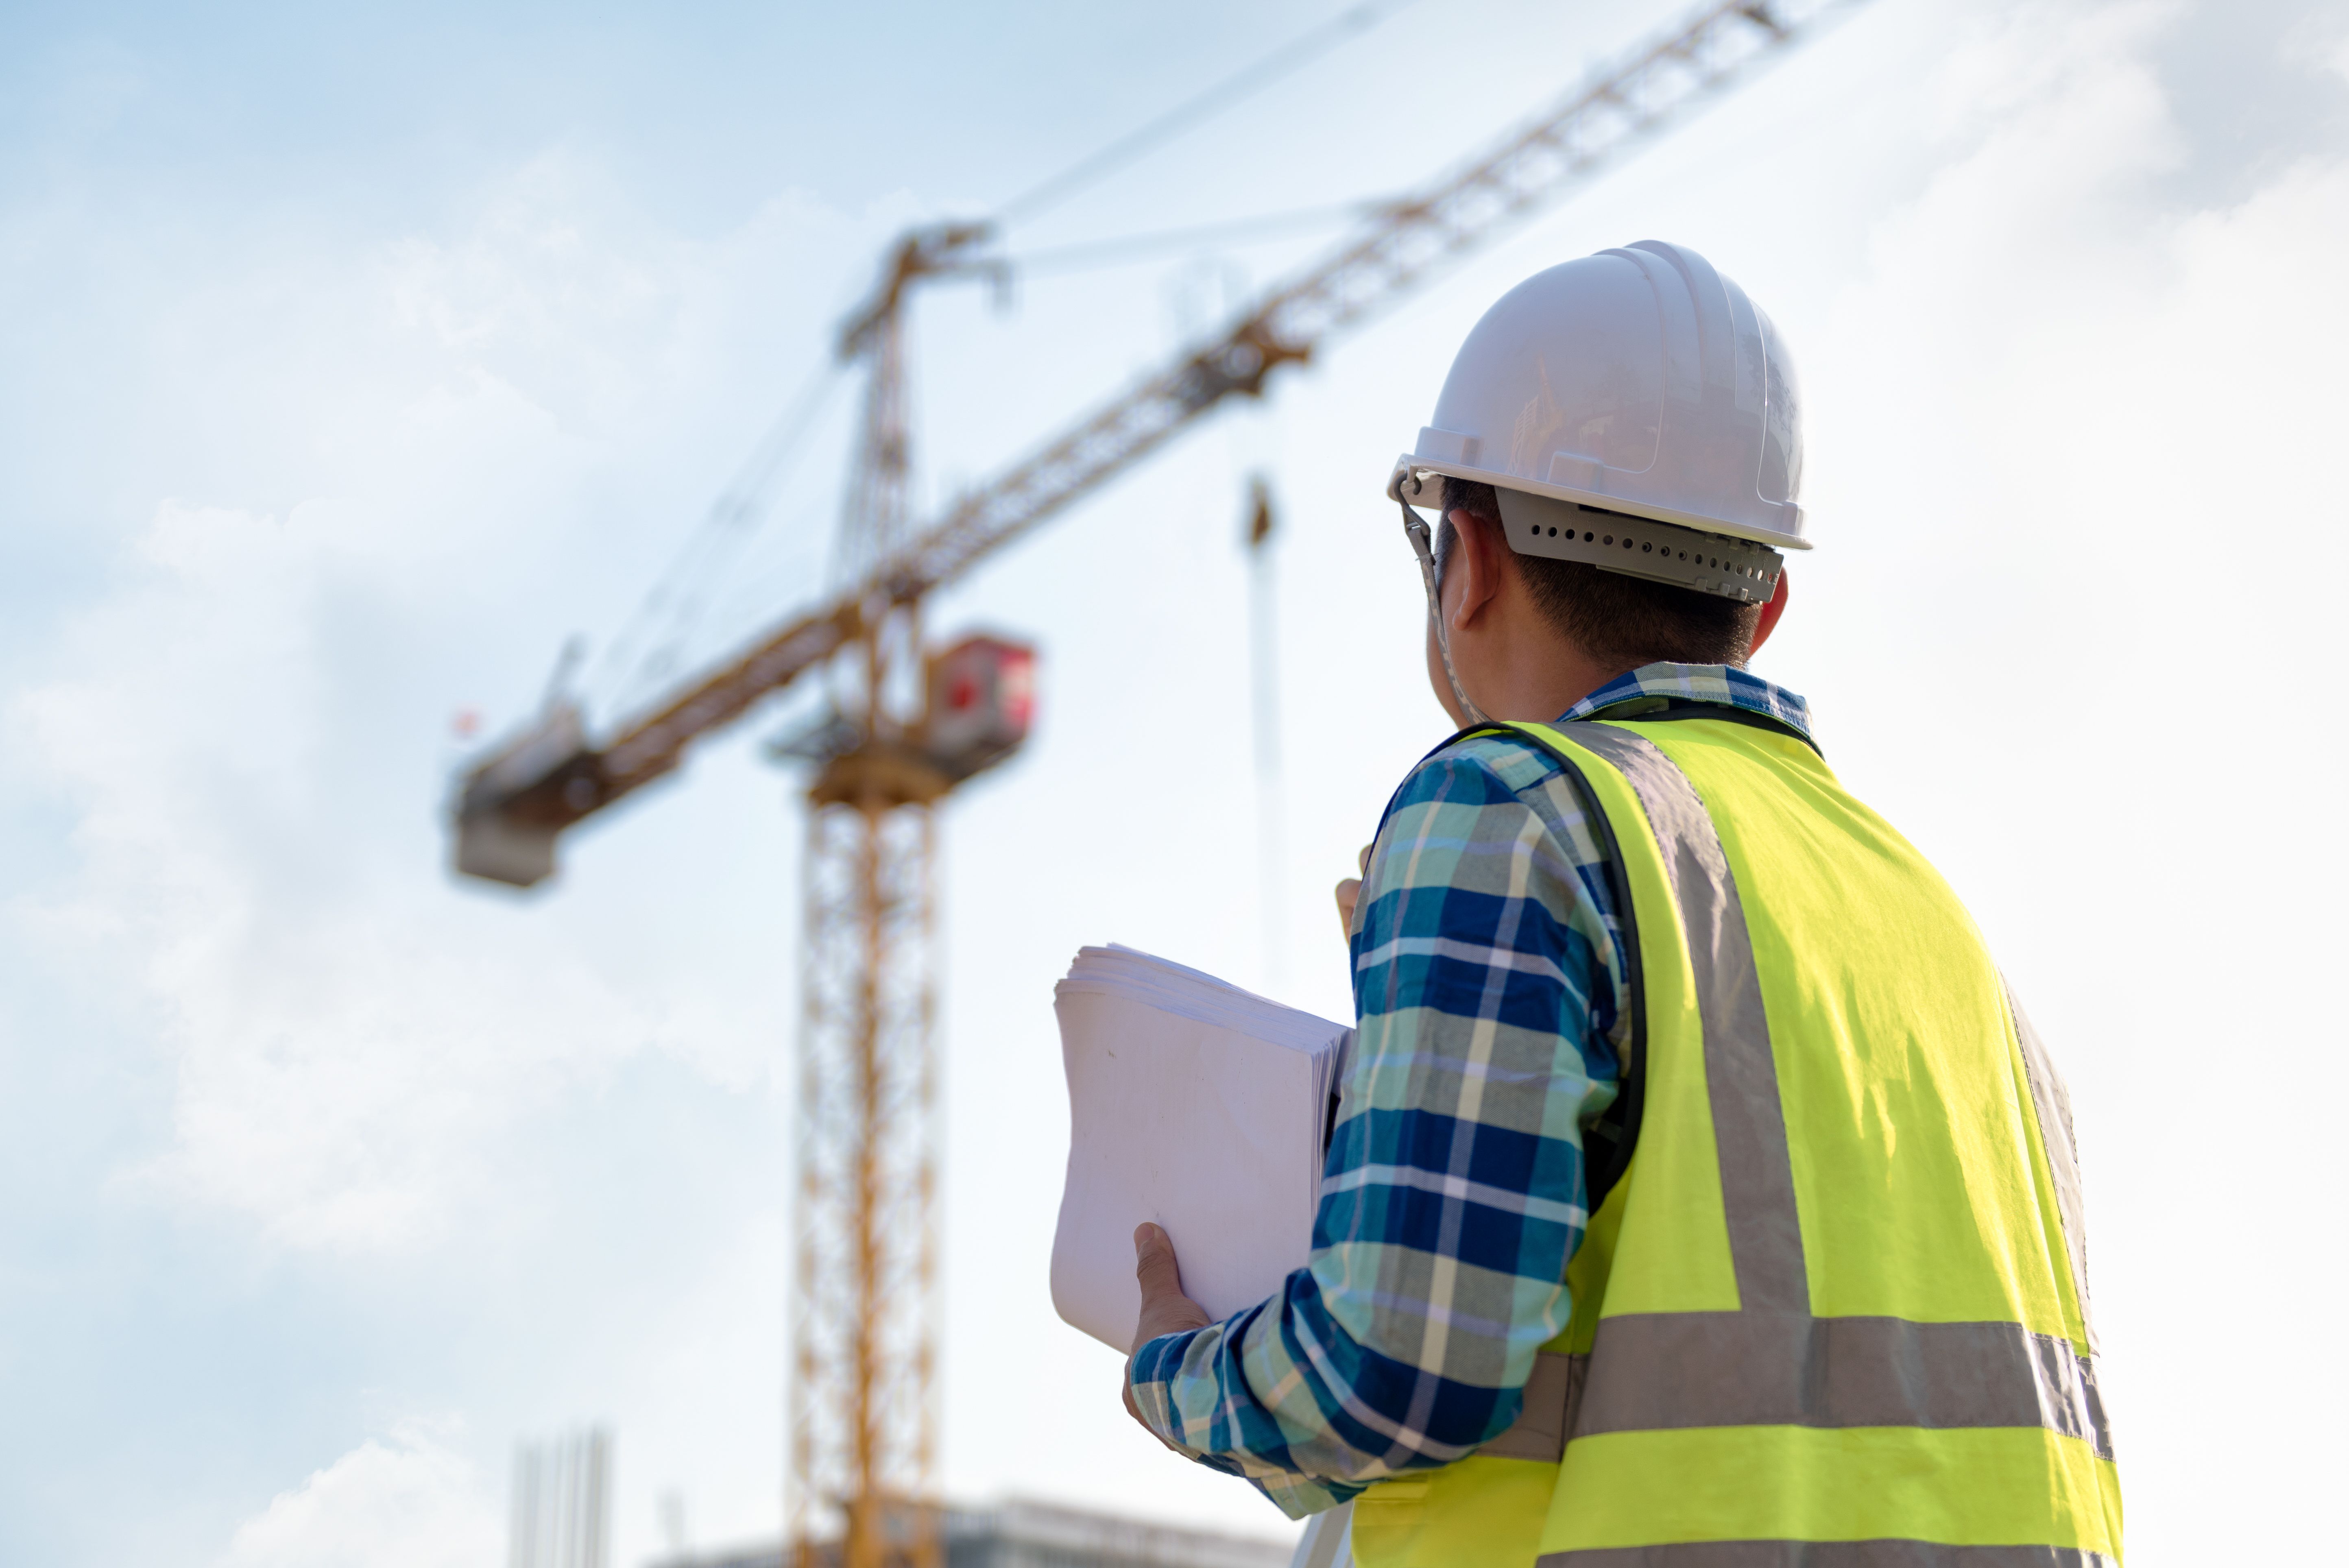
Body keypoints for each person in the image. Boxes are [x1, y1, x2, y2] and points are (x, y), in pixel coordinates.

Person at [1119, 241, 2122, 1568]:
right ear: (1764, 605)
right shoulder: (1928, 915)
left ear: (1464, 560)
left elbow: (1403, 1370)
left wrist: (1175, 1367)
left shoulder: (1510, 812)